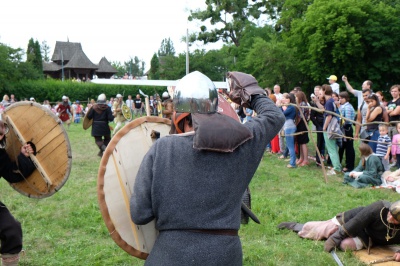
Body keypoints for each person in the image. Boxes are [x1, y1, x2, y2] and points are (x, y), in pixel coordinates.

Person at [130, 71, 285, 265]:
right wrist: (252, 94)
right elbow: (274, 116)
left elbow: (140, 213)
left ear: (183, 118)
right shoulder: (242, 143)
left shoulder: (162, 148)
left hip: (169, 256)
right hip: (224, 256)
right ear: (215, 112)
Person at [277, 200, 400, 261]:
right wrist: (335, 237)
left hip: (368, 237)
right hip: (353, 220)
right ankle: (296, 226)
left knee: (346, 245)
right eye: (389, 214)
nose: (389, 218)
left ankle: (335, 234)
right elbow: (357, 222)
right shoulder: (379, 207)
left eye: (394, 219)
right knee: (323, 230)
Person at [0, 120, 36, 266]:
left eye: (0, 134)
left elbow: (12, 174)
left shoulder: (0, 155)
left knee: (12, 231)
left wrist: (23, 157)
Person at [321, 84, 342, 174]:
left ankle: (337, 168)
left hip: (330, 127)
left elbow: (329, 116)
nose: (320, 93)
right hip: (332, 126)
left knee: (331, 148)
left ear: (325, 91)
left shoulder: (329, 102)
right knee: (332, 147)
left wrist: (324, 127)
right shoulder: (330, 101)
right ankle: (337, 166)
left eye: (321, 91)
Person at [338, 92, 355, 172]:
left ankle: (349, 166)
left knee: (349, 148)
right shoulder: (343, 106)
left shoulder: (347, 107)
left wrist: (340, 120)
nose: (340, 100)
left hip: (347, 129)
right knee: (342, 147)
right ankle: (339, 163)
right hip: (343, 129)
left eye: (341, 98)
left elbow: (347, 120)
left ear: (346, 98)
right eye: (339, 98)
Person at [280, 93, 297, 168]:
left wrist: (281, 106)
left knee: (290, 146)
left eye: (286, 98)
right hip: (288, 126)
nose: (285, 100)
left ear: (290, 99)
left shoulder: (291, 107)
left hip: (289, 127)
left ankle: (292, 163)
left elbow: (282, 114)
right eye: (284, 98)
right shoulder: (289, 107)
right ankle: (285, 155)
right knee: (289, 144)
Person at [310, 86, 326, 166]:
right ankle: (318, 160)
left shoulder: (326, 103)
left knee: (325, 143)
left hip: (327, 126)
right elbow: (312, 117)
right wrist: (318, 125)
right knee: (319, 143)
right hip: (320, 125)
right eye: (318, 94)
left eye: (320, 93)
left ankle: (326, 158)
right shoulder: (314, 104)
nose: (319, 95)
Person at [295, 91, 310, 166]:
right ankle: (301, 158)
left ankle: (306, 159)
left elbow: (301, 117)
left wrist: (296, 123)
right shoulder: (299, 104)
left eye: (296, 97)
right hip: (300, 124)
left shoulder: (303, 104)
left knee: (303, 142)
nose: (295, 98)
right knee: (300, 142)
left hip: (302, 124)